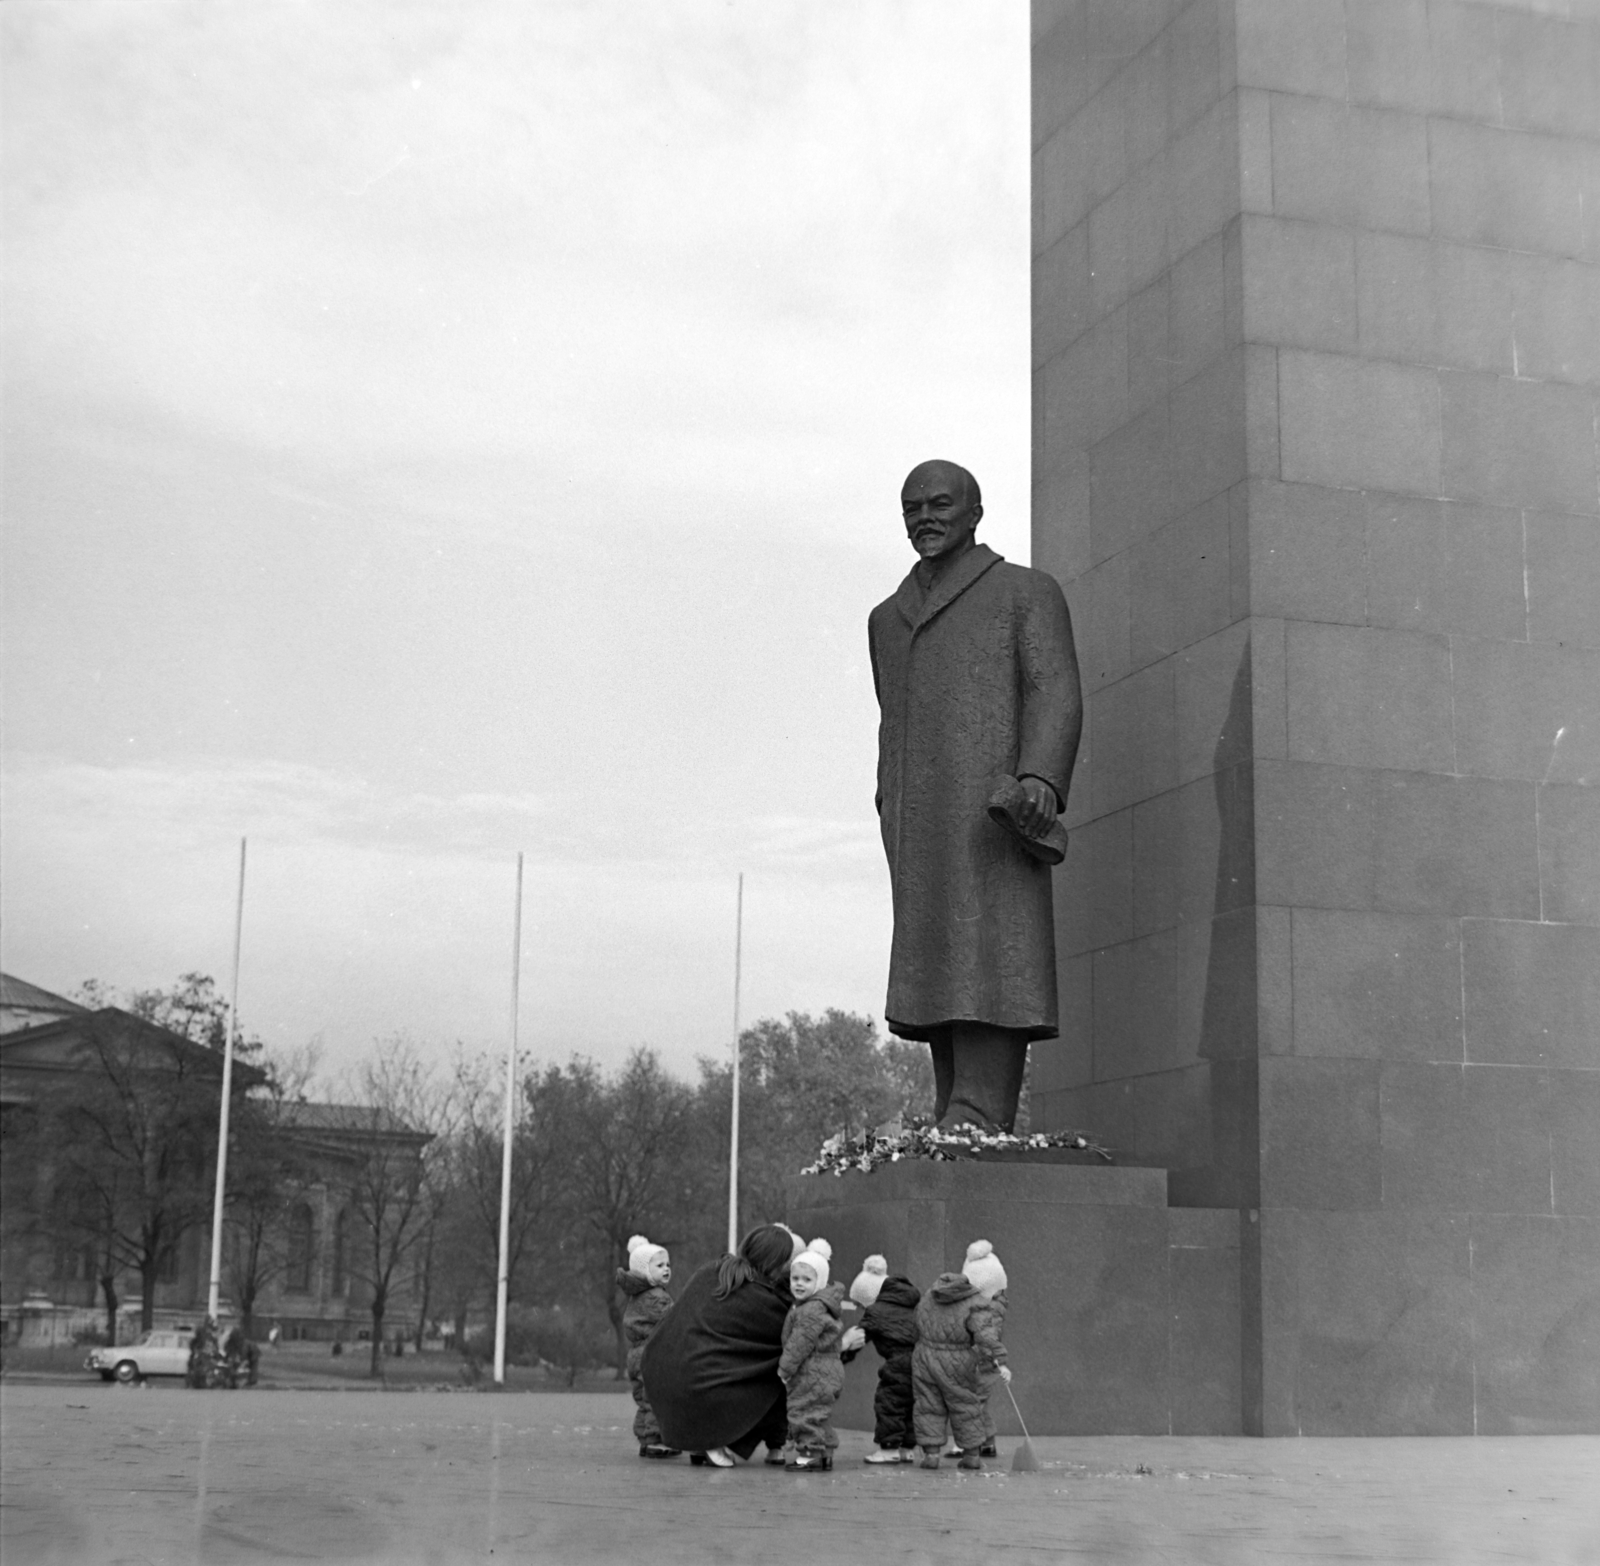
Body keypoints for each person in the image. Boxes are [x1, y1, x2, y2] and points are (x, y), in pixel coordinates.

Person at [868, 459, 1082, 1131]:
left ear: (974, 513)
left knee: (992, 947)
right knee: (933, 952)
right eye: (911, 508)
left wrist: (1040, 778)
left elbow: (1056, 689)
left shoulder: (1024, 591)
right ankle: (952, 1103)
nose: (924, 517)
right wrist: (887, 802)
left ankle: (980, 1109)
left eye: (939, 503)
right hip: (917, 815)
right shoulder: (885, 619)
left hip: (994, 808)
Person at [641, 1224, 795, 1468]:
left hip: (658, 1377)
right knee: (780, 1376)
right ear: (775, 1262)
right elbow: (792, 1345)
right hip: (698, 1391)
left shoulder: (710, 1272)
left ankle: (705, 1440)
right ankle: (720, 1441)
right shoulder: (764, 1300)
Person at [911, 1253, 1011, 1470]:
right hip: (957, 1359)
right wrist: (999, 1361)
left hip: (924, 1356)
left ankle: (931, 1455)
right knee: (965, 1404)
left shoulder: (930, 1294)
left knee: (928, 1404)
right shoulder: (975, 1303)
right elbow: (985, 1336)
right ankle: (972, 1455)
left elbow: (917, 1320)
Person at [841, 1253, 921, 1463]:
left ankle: (889, 1449)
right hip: (921, 1362)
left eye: (859, 1304)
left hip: (898, 1364)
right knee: (911, 1404)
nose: (860, 1309)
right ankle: (907, 1448)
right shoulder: (910, 1306)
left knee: (889, 1403)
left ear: (869, 1298)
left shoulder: (875, 1312)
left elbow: (859, 1338)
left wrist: (841, 1355)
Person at [776, 1240, 846, 1471]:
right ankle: (824, 1453)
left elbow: (799, 1344)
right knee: (818, 1413)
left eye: (807, 1280)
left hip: (812, 1371)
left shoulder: (811, 1310)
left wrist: (785, 1369)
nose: (799, 1284)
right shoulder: (814, 1305)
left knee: (803, 1411)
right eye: (795, 1279)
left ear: (820, 1282)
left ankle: (809, 1454)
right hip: (825, 1370)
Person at [617, 1234, 678, 1459]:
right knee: (656, 1398)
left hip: (636, 1354)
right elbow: (671, 1320)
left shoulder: (637, 1296)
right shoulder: (656, 1297)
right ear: (644, 1271)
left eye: (668, 1265)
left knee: (644, 1398)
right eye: (659, 1265)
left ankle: (645, 1439)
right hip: (652, 1353)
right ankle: (655, 1441)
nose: (666, 1269)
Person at [960, 1241, 1007, 1459]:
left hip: (982, 1358)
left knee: (973, 1400)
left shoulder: (983, 1308)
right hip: (987, 1358)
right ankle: (987, 1441)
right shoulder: (997, 1304)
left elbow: (985, 1335)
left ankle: (974, 1441)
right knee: (980, 1400)